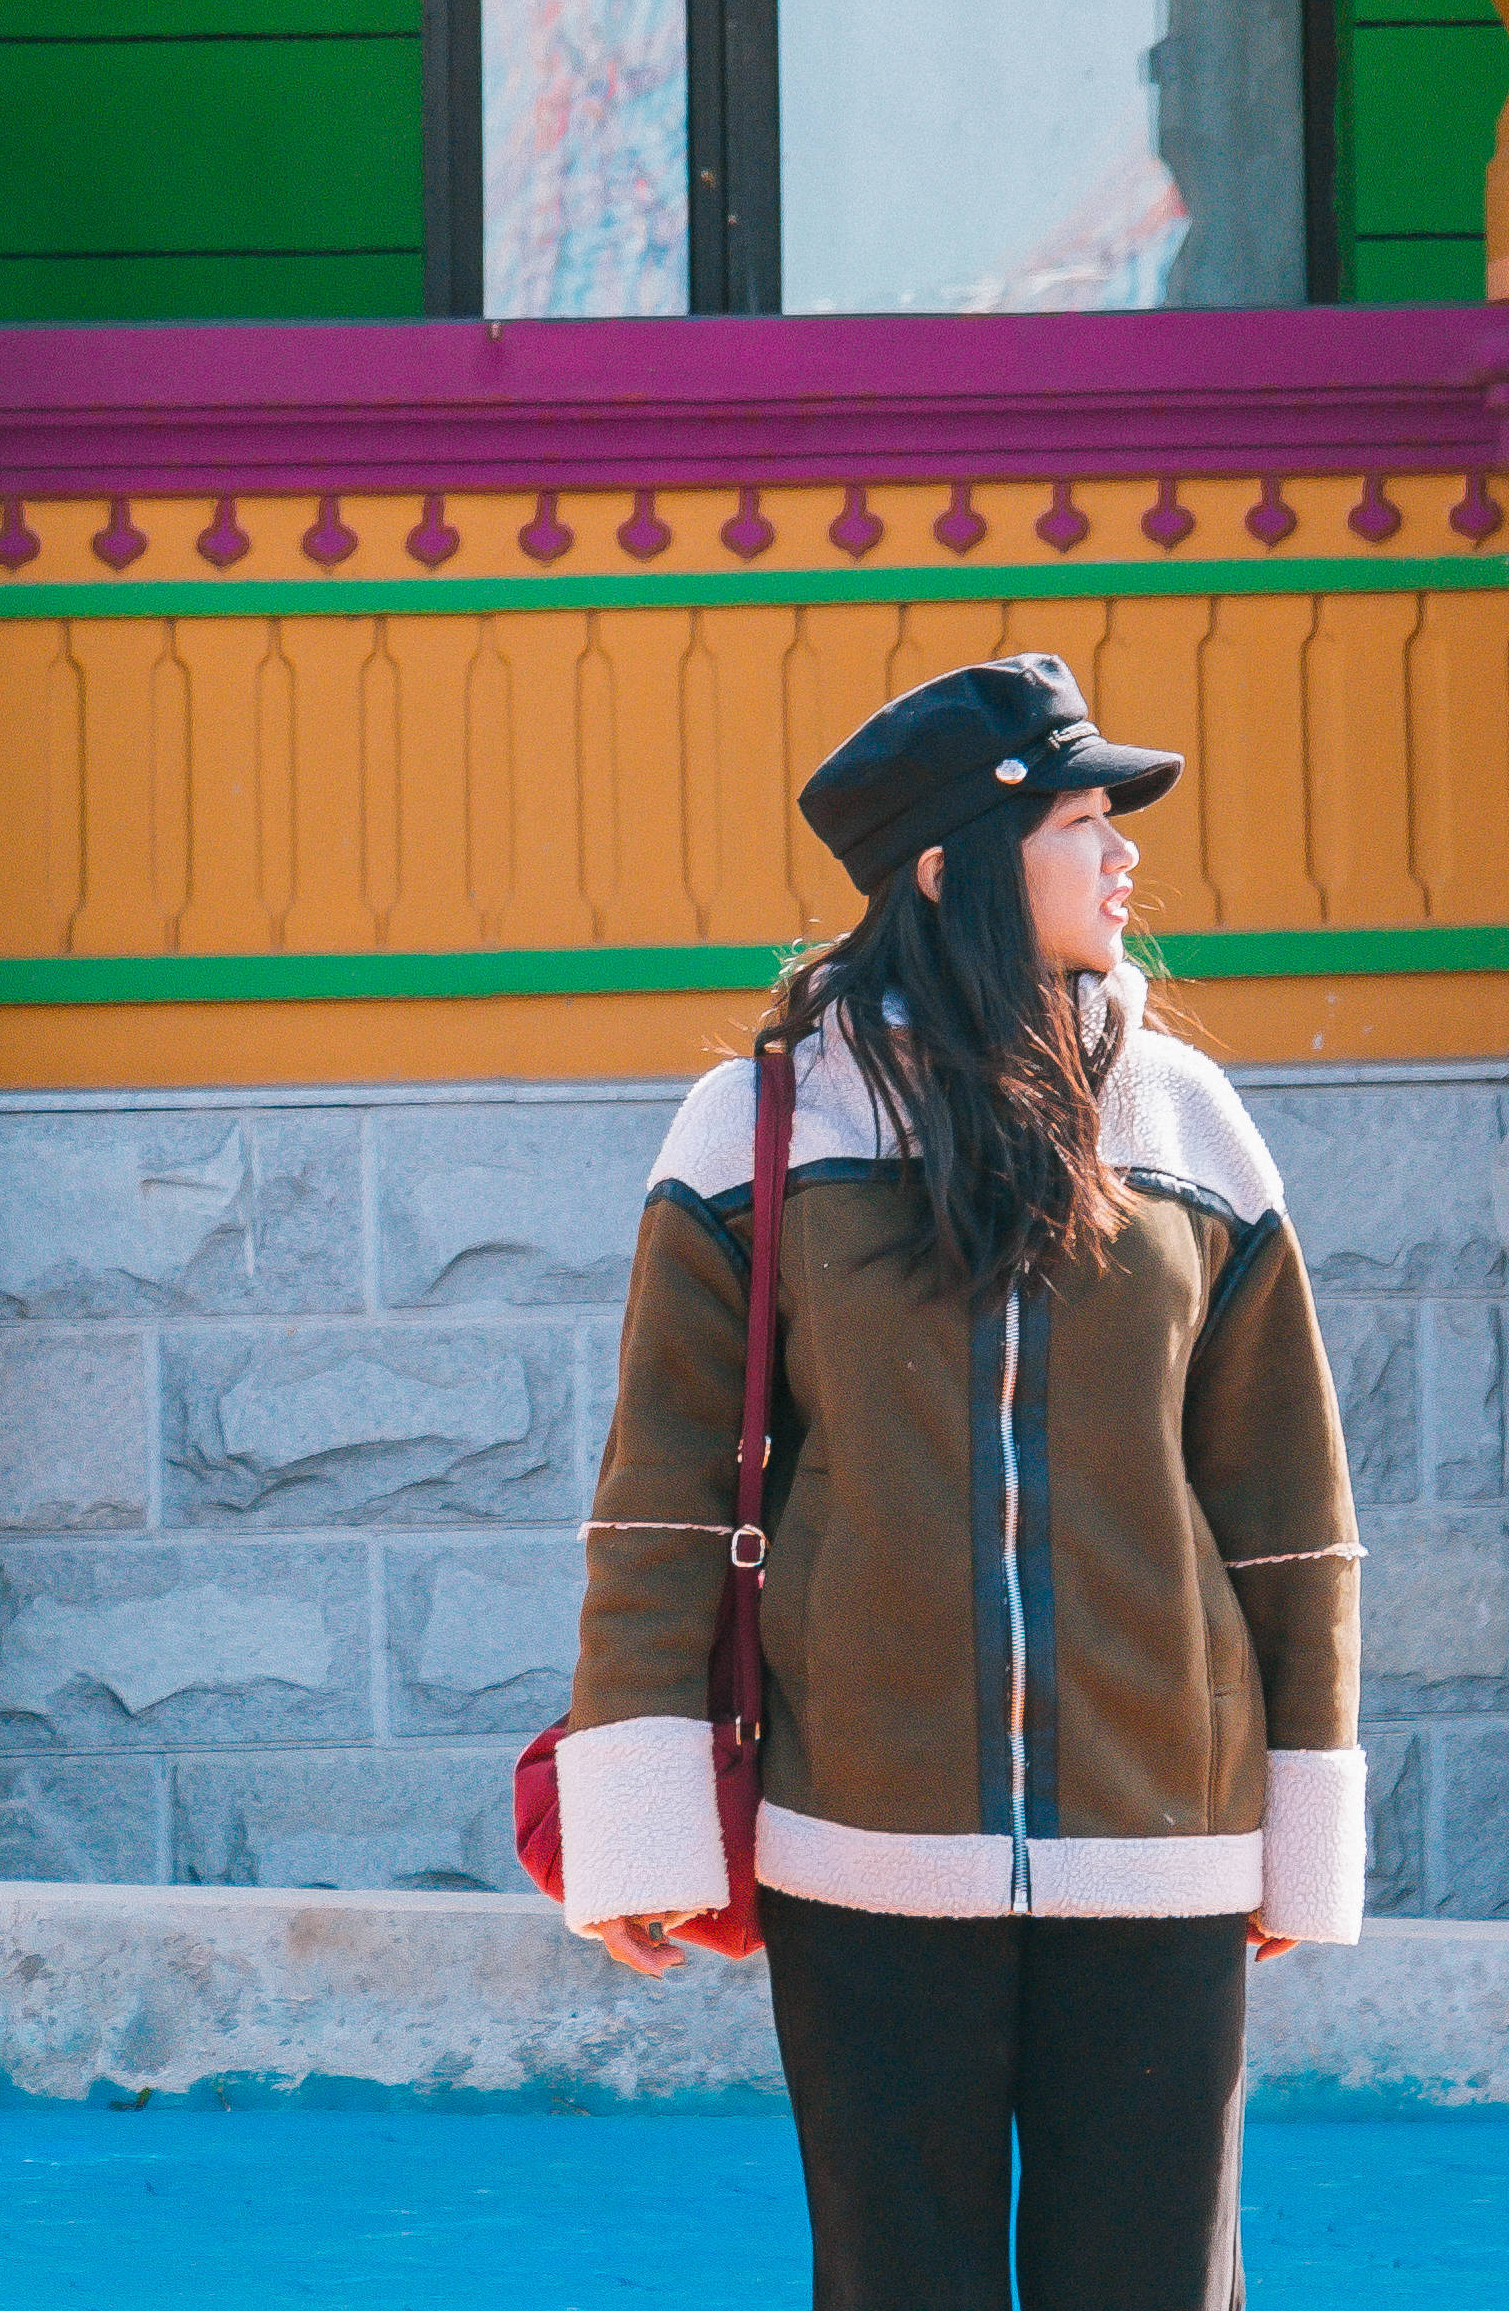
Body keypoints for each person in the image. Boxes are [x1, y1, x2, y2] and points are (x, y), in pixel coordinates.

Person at [552, 651, 1365, 2311]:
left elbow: (1288, 1508)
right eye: (1082, 823)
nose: (1126, 855)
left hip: (1162, 1831)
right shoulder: (758, 1124)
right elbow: (664, 1493)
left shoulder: (1185, 1118)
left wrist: (1299, 1811)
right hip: (862, 1837)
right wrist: (637, 1818)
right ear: (949, 867)